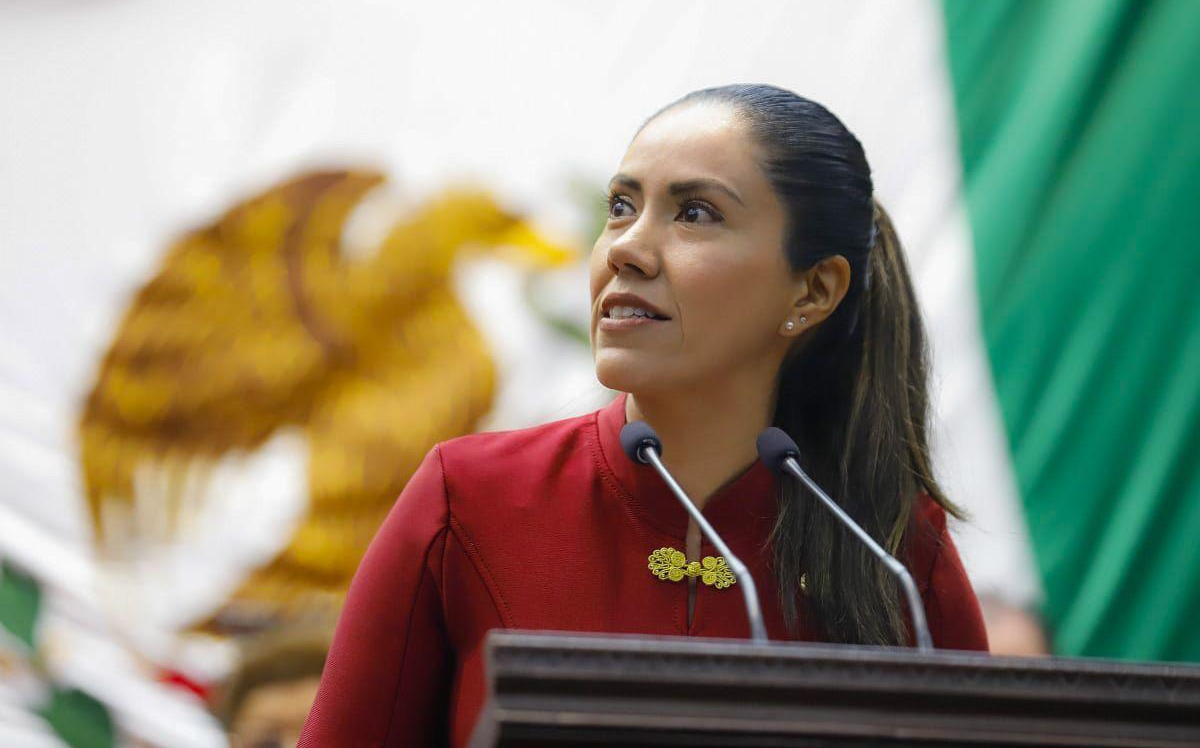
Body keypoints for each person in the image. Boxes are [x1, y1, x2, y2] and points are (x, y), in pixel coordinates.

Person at [298, 84, 988, 747]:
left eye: (695, 214)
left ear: (812, 290)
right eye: (622, 207)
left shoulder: (893, 550)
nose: (625, 247)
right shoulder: (469, 497)